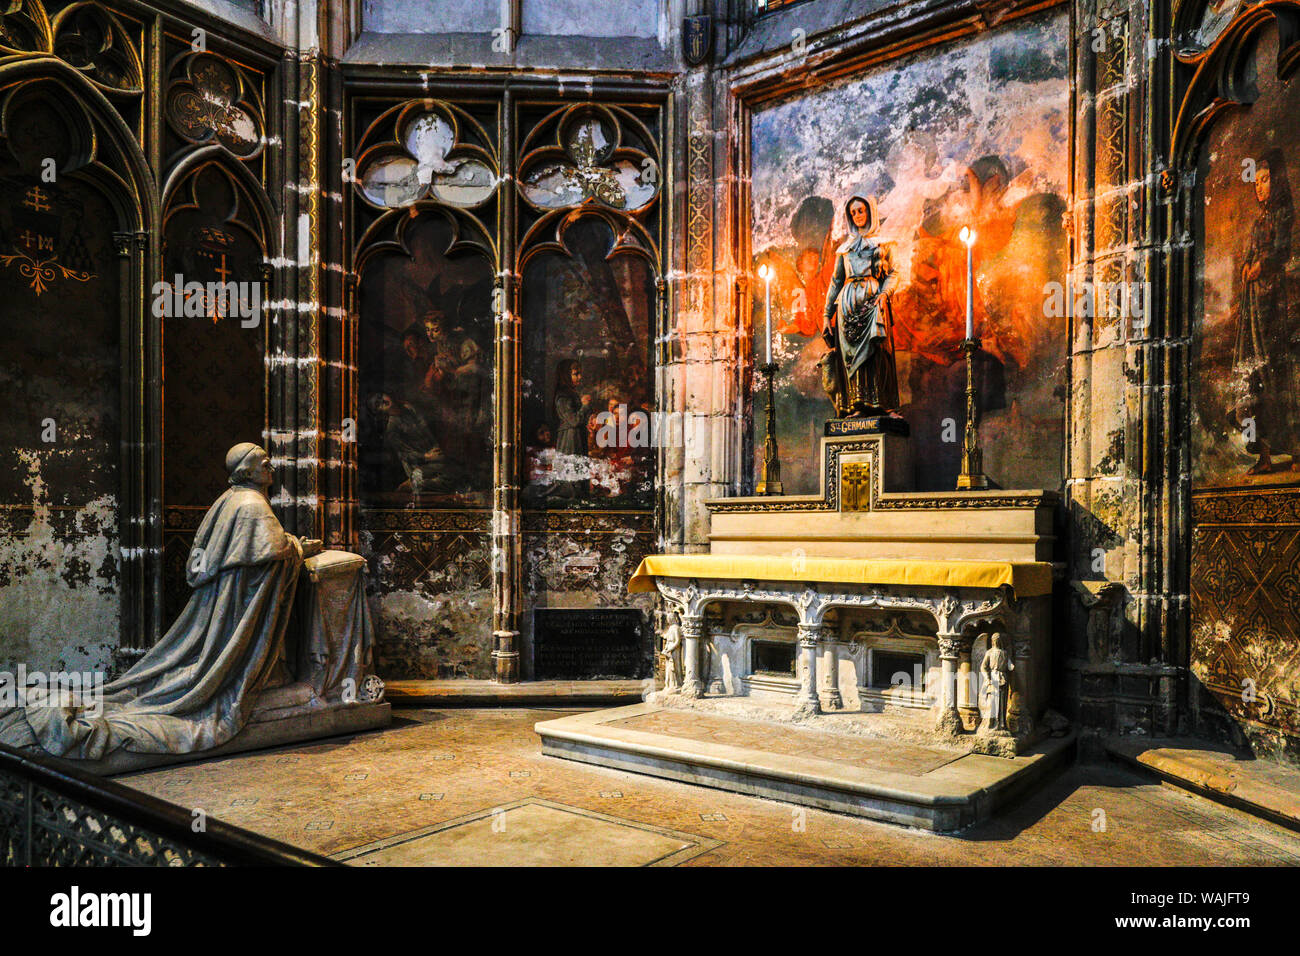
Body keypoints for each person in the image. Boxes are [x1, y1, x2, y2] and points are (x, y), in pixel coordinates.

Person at [0, 444, 322, 761]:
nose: (271, 468)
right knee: (179, 694)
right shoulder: (253, 505)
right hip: (239, 607)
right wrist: (297, 548)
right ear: (247, 470)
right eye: (265, 463)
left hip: (227, 602)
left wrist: (286, 546)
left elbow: (241, 552)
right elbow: (272, 552)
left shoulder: (230, 500)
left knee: (162, 678)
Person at [1231, 150, 1299, 474]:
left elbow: (1282, 251)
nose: (1259, 186)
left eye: (1265, 179)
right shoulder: (1257, 219)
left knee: (1274, 374)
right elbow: (1248, 253)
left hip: (1272, 305)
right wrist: (1247, 266)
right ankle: (1263, 455)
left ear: (1277, 180)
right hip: (1252, 306)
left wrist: (1263, 265)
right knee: (1252, 377)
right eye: (1256, 181)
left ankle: (1291, 448)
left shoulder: (1284, 213)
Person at [821, 195, 901, 417]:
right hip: (847, 305)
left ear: (870, 212)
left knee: (877, 352)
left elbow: (894, 272)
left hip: (874, 300)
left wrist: (885, 293)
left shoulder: (884, 244)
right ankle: (858, 405)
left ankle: (883, 405)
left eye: (861, 210)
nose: (857, 216)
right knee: (850, 356)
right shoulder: (845, 250)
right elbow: (836, 281)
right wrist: (827, 315)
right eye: (853, 212)